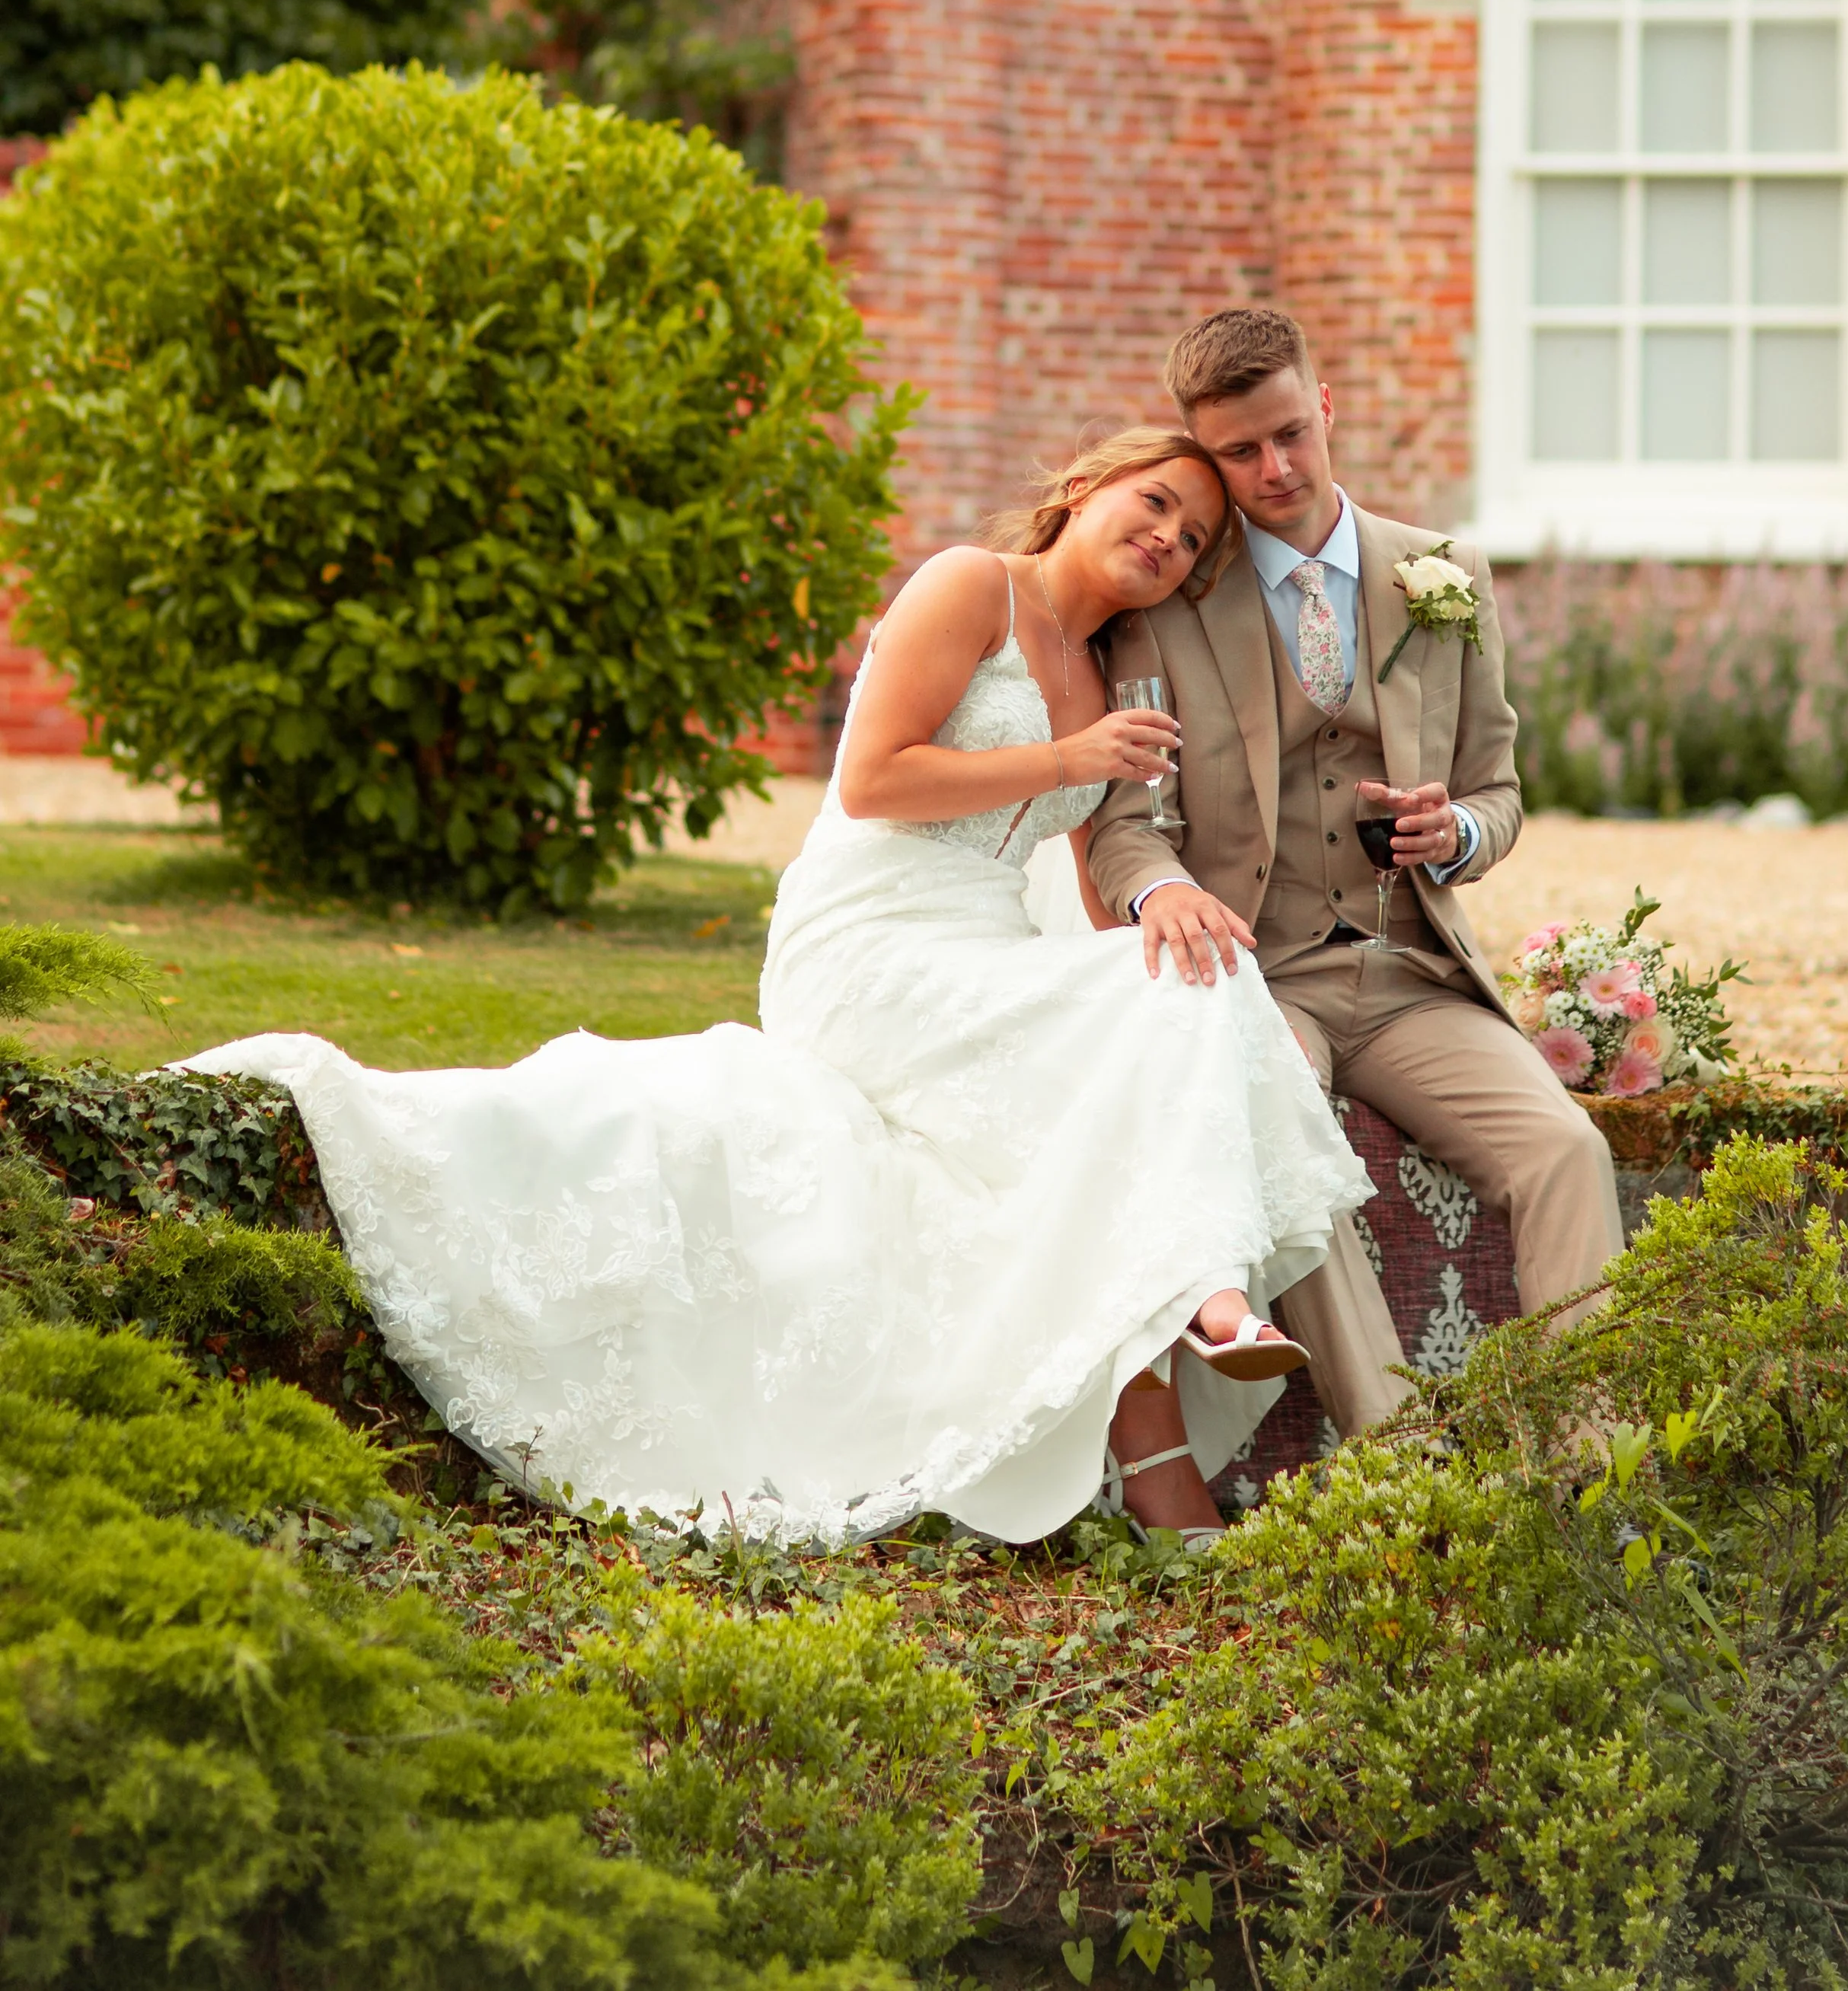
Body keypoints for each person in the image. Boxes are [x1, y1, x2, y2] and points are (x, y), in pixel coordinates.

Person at [183, 426, 1371, 1548]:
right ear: (1085, 489)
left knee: (1188, 983)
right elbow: (872, 780)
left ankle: (1200, 1306)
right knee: (1149, 1025)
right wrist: (1070, 761)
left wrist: (1159, 905)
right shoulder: (972, 586)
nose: (1169, 536)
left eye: (1194, 538)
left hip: (984, 946)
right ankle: (1192, 1341)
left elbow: (1088, 885)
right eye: (1156, 501)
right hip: (868, 942)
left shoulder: (1111, 673)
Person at [1089, 308, 1623, 1440]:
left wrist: (1459, 836)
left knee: (1567, 1150)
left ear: (1324, 407)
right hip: (1260, 975)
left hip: (1412, 968)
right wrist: (1163, 890)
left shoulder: (1447, 576)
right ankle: (1397, 1464)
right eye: (1240, 452)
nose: (1275, 469)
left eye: (1290, 433)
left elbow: (1499, 788)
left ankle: (1591, 1472)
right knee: (1291, 1155)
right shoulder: (1168, 605)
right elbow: (1122, 823)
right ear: (1205, 453)